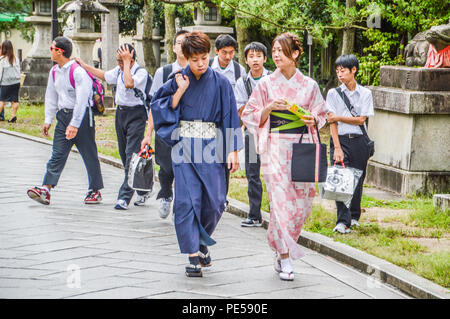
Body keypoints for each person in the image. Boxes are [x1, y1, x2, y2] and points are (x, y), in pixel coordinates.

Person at [151, 31, 242, 277]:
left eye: (203, 58)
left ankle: (202, 241)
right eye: (194, 60)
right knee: (186, 201)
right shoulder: (177, 78)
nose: (200, 64)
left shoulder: (221, 82)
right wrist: (179, 90)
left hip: (212, 147)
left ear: (209, 54)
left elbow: (230, 116)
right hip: (184, 147)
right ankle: (192, 255)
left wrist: (233, 150)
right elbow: (159, 107)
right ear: (186, 58)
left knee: (216, 201)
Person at [241, 33, 327, 281]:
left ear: (296, 54)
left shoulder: (309, 85)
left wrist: (314, 119)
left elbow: (322, 113)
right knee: (280, 202)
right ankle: (286, 256)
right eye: (274, 50)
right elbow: (250, 113)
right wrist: (269, 108)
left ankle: (281, 249)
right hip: (276, 146)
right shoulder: (266, 84)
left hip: (302, 145)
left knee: (301, 204)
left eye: (281, 50)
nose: (276, 55)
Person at [27, 36, 104, 205]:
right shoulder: (54, 71)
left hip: (82, 116)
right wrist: (48, 119)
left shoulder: (77, 72)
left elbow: (82, 99)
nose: (50, 50)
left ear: (60, 51)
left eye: (52, 48)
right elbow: (51, 96)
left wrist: (75, 124)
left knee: (89, 153)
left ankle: (95, 190)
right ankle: (46, 189)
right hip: (63, 116)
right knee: (57, 153)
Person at [75, 43, 152, 210]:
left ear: (131, 58)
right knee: (125, 156)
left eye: (122, 60)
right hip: (121, 114)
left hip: (136, 115)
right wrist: (84, 65)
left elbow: (129, 83)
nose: (119, 63)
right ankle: (142, 188)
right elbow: (103, 75)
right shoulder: (118, 70)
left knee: (131, 155)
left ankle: (124, 197)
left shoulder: (141, 73)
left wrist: (126, 63)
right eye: (118, 60)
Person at [141, 30, 189, 216]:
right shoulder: (164, 72)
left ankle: (182, 201)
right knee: (166, 165)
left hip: (188, 128)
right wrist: (148, 133)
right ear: (174, 47)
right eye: (180, 43)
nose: (183, 46)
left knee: (185, 166)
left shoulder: (197, 71)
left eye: (187, 42)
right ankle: (166, 194)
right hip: (166, 128)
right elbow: (154, 105)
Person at [326, 54, 374, 234]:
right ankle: (342, 221)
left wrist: (339, 117)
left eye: (343, 70)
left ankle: (354, 217)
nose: (340, 74)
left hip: (359, 140)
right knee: (340, 178)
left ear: (353, 70)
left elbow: (361, 119)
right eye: (337, 71)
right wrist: (337, 147)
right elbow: (332, 122)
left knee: (357, 179)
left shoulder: (365, 93)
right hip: (341, 140)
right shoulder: (333, 93)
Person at [234, 42, 271, 227]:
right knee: (252, 174)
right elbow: (240, 109)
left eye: (259, 56)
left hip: (273, 132)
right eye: (251, 56)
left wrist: (254, 109)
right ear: (246, 60)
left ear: (265, 58)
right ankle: (254, 214)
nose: (255, 59)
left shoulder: (274, 78)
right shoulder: (242, 82)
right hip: (251, 132)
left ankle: (277, 214)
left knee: (274, 173)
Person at [0, 40, 21, 123]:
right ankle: (13, 116)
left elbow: (0, 73)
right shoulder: (16, 58)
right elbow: (18, 70)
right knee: (15, 100)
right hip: (16, 82)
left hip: (5, 83)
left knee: (1, 100)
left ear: (3, 48)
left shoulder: (2, 60)